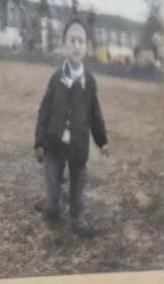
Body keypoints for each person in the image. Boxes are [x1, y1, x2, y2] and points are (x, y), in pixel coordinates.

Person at [34, 17, 108, 236]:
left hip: (77, 146)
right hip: (54, 144)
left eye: (81, 41)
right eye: (72, 40)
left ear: (86, 47)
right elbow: (44, 110)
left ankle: (77, 214)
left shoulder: (89, 81)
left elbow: (95, 114)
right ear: (64, 45)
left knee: (78, 186)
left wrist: (102, 141)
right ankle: (51, 205)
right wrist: (39, 141)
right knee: (53, 205)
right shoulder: (56, 78)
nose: (77, 45)